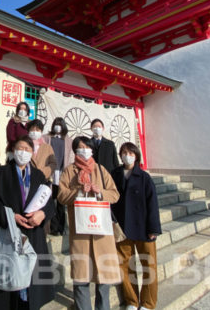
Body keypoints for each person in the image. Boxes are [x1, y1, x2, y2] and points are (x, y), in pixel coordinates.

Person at [0, 136, 55, 310]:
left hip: (33, 236)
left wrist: (42, 214)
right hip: (8, 235)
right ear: (13, 151)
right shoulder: (1, 173)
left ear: (32, 153)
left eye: (27, 149)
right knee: (7, 291)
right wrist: (9, 216)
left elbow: (50, 203)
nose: (23, 152)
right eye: (20, 148)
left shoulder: (38, 175)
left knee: (31, 289)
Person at [58, 136, 121, 310]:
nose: (83, 150)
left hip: (102, 231)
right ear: (75, 151)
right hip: (80, 231)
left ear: (92, 150)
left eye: (87, 147)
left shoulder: (100, 170)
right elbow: (61, 196)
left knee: (104, 280)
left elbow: (114, 194)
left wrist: (100, 192)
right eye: (80, 148)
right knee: (81, 278)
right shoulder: (69, 171)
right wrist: (78, 191)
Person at [113, 142, 161, 310]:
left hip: (143, 228)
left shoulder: (144, 177)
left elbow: (152, 203)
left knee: (148, 264)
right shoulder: (115, 174)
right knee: (125, 265)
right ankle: (132, 301)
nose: (127, 155)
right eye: (124, 152)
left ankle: (147, 303)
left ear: (136, 155)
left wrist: (153, 228)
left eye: (130, 153)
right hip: (122, 228)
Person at [43, 117, 74, 236]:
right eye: (56, 124)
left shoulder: (68, 140)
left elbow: (70, 157)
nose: (57, 126)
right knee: (50, 200)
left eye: (60, 124)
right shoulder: (46, 138)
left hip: (62, 173)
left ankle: (61, 227)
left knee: (61, 202)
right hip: (50, 173)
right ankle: (51, 228)